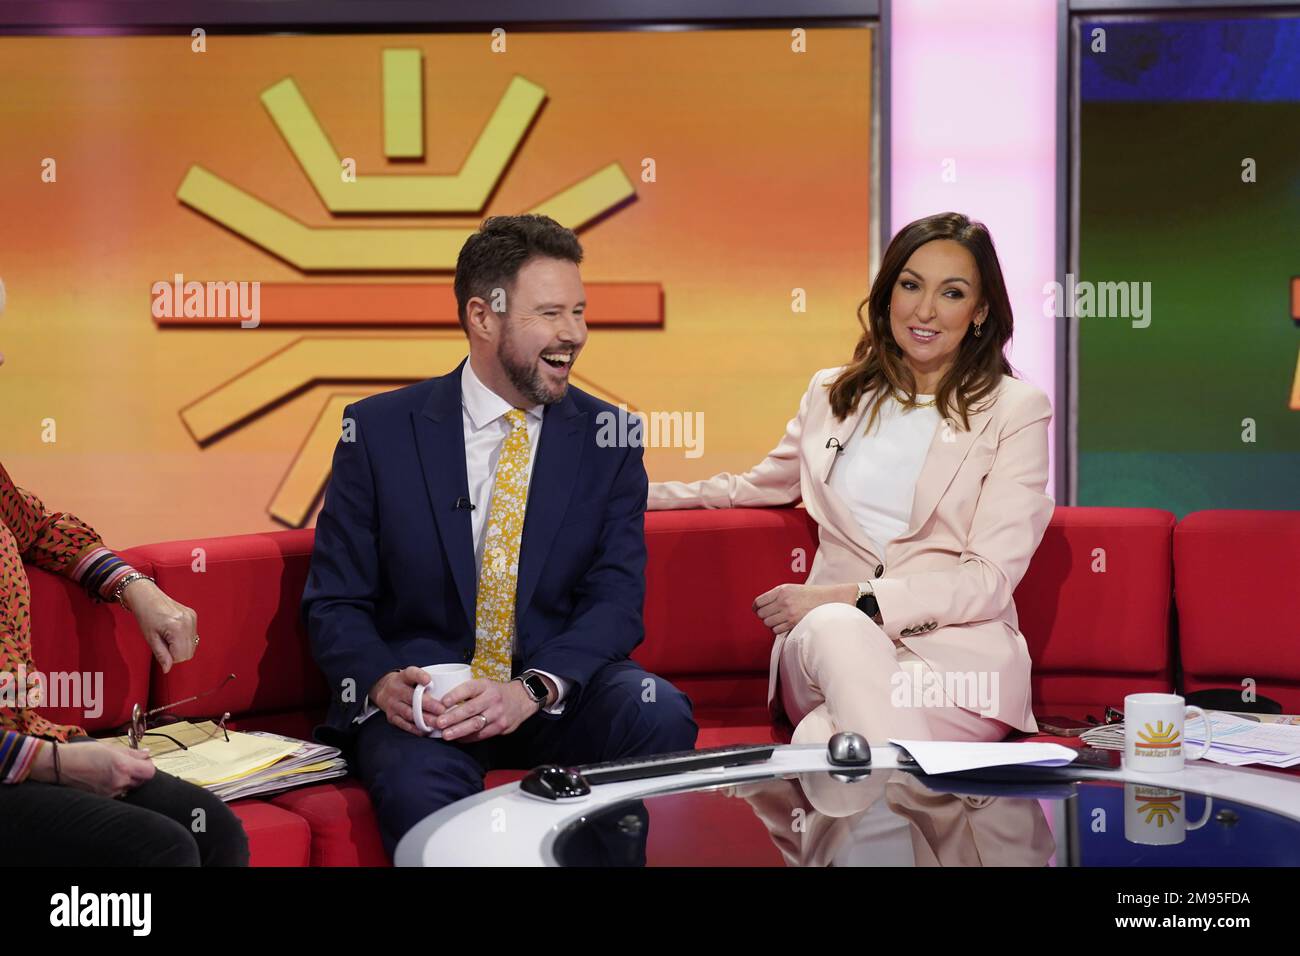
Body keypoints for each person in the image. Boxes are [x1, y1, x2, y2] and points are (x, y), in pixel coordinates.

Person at [303, 214, 698, 855]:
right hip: (434, 705)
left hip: (551, 692)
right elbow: (335, 600)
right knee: (415, 787)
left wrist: (531, 690)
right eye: (550, 313)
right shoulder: (378, 432)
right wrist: (377, 682)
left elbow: (616, 601)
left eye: (579, 311)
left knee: (655, 709)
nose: (574, 334)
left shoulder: (610, 438)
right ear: (483, 317)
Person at [649, 212, 1054, 746]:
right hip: (822, 651)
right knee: (836, 628)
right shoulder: (833, 395)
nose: (925, 310)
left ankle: (883, 813)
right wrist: (627, 495)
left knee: (821, 743)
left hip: (955, 665)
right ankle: (924, 811)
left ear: (980, 311)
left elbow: (987, 581)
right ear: (888, 295)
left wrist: (851, 596)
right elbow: (750, 488)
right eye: (910, 285)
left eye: (951, 293)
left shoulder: (1015, 410)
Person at [0, 279, 249, 865]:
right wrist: (56, 764)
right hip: (19, 758)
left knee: (215, 830)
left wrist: (134, 586)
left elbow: (39, 529)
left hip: (26, 739)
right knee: (158, 850)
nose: (4, 358)